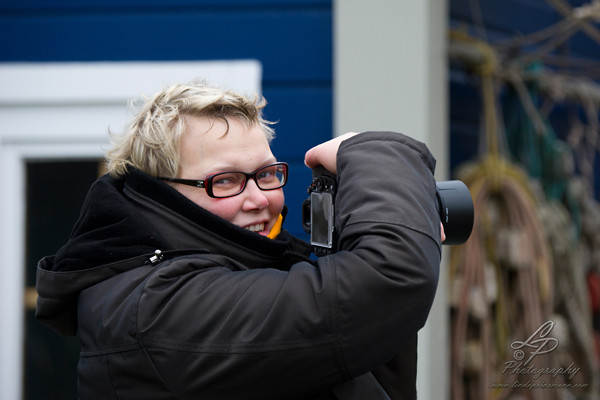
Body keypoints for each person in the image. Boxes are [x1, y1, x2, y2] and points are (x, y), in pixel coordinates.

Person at [35, 80, 443, 400]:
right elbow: (390, 281)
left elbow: (370, 344)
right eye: (226, 181)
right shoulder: (161, 307)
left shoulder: (252, 266)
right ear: (160, 193)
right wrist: (375, 156)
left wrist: (388, 226)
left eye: (267, 174)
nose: (260, 199)